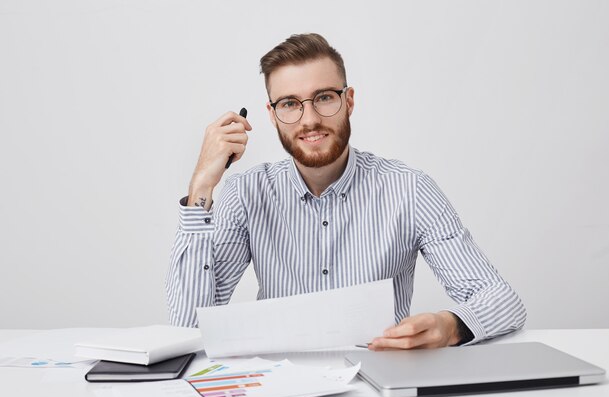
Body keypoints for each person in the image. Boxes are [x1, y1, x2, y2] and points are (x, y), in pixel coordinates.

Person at [166, 33, 526, 350]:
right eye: (290, 103)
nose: (309, 120)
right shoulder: (246, 193)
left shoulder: (409, 189)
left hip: (381, 386)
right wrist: (201, 186)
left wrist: (450, 326)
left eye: (323, 97)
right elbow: (189, 326)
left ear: (349, 101)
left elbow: (502, 301)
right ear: (273, 114)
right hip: (280, 386)